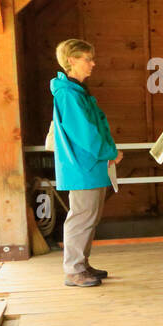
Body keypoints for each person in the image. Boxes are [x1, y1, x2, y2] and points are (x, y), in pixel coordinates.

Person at [51, 39, 119, 288]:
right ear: (71, 60)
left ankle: (82, 263)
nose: (93, 63)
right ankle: (74, 269)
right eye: (87, 58)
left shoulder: (76, 91)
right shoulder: (69, 94)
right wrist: (109, 152)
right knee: (81, 217)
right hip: (83, 166)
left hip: (90, 166)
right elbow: (84, 132)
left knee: (89, 216)